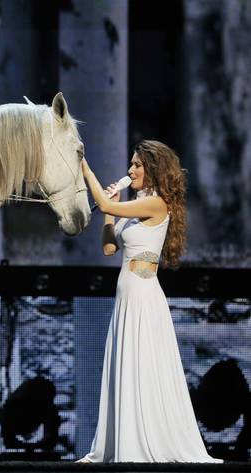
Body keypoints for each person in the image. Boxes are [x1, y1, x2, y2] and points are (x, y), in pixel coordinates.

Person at [78, 140, 222, 463]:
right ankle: (121, 442)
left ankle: (144, 445)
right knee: (124, 366)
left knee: (143, 368)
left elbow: (103, 202)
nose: (130, 171)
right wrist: (109, 213)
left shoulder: (156, 204)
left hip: (143, 299)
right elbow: (109, 249)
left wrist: (85, 169)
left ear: (153, 169)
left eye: (137, 166)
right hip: (125, 299)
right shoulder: (134, 207)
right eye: (130, 165)